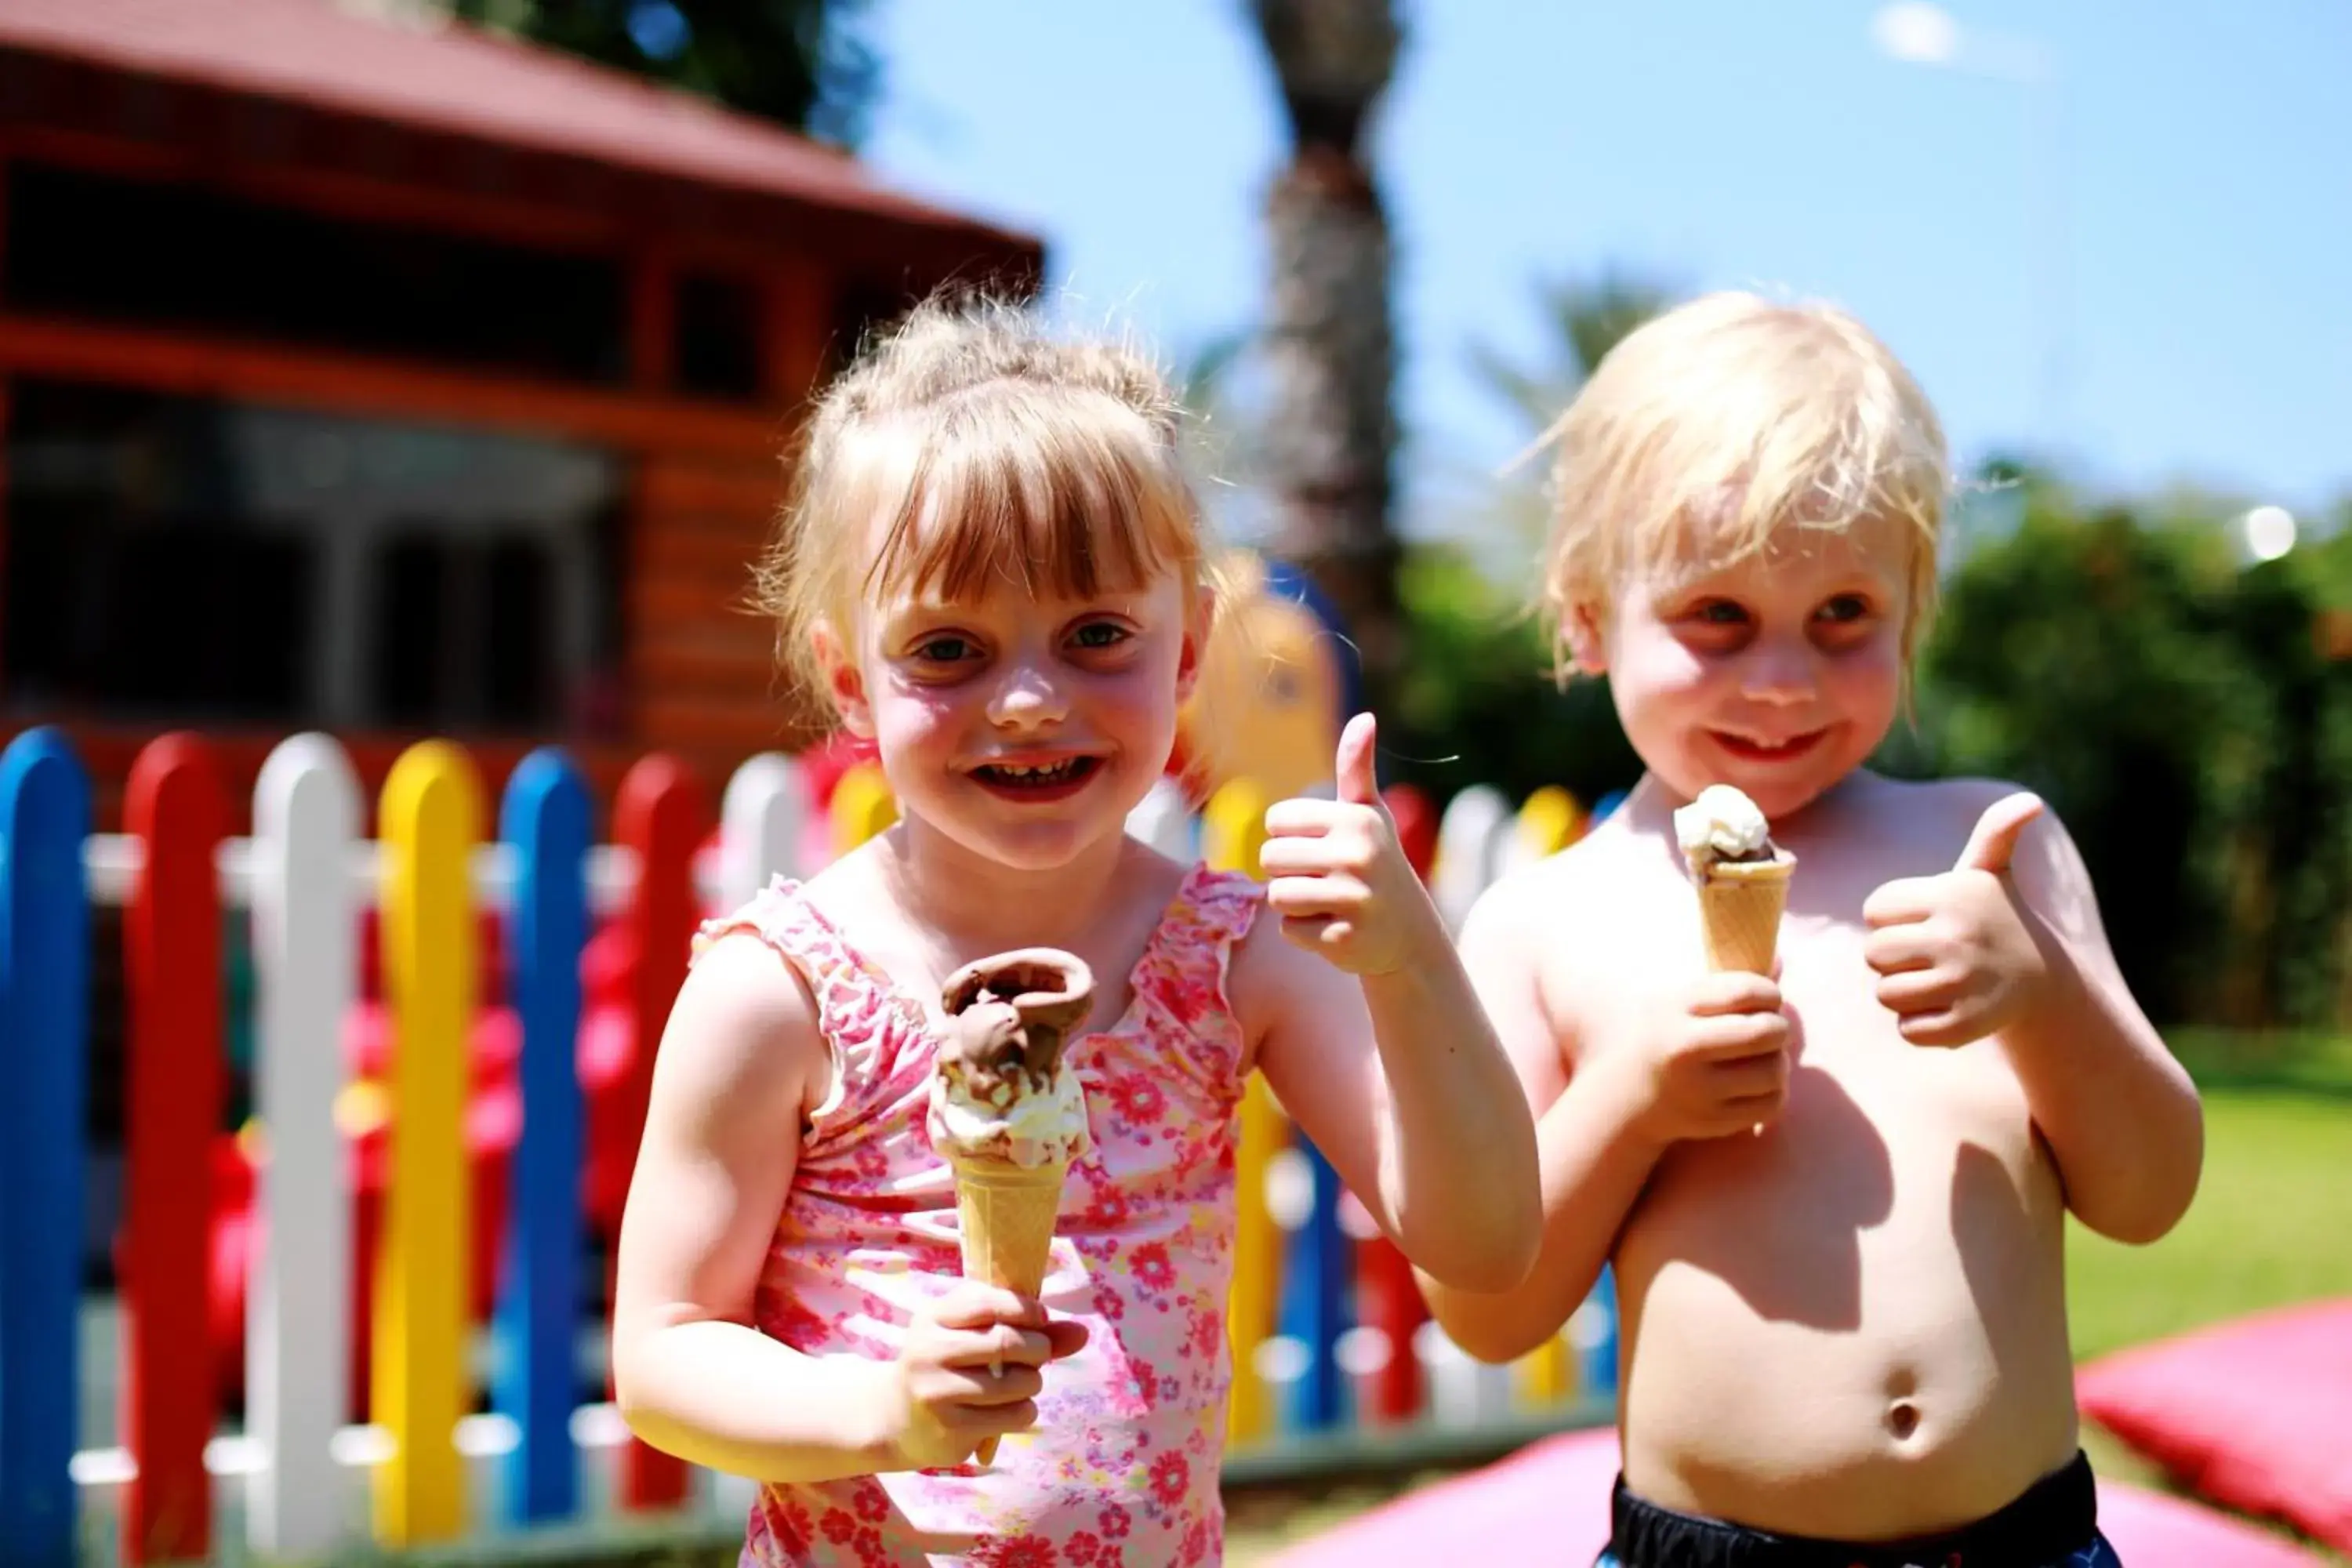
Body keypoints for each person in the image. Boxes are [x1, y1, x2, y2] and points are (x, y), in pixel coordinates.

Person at [608, 293, 1540, 1566]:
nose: (1034, 700)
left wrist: (1410, 960)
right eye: (950, 650)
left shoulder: (1232, 956)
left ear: (1191, 650)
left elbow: (1484, 1244)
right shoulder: (781, 992)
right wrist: (875, 1409)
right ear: (848, 683)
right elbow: (663, 1355)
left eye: (1098, 635)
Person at [1420, 292, 2205, 1568]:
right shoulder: (1543, 921)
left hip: (2025, 1544)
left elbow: (2150, 1191)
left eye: (1843, 616)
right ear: (1584, 616)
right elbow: (1488, 1309)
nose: (1782, 678)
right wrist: (1633, 1099)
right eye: (1716, 617)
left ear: (1913, 610)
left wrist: (2044, 996)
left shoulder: (1993, 845)